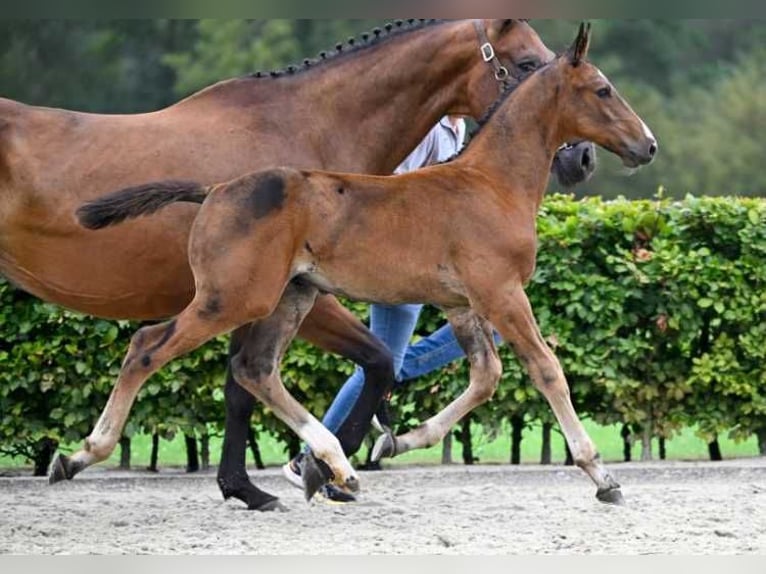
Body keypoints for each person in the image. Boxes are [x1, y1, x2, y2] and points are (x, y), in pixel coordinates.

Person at [284, 115, 499, 501]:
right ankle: (306, 461)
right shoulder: (429, 128)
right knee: (377, 365)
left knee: (493, 327)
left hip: (432, 254)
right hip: (400, 255)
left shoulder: (457, 128)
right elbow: (392, 183)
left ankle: (324, 459)